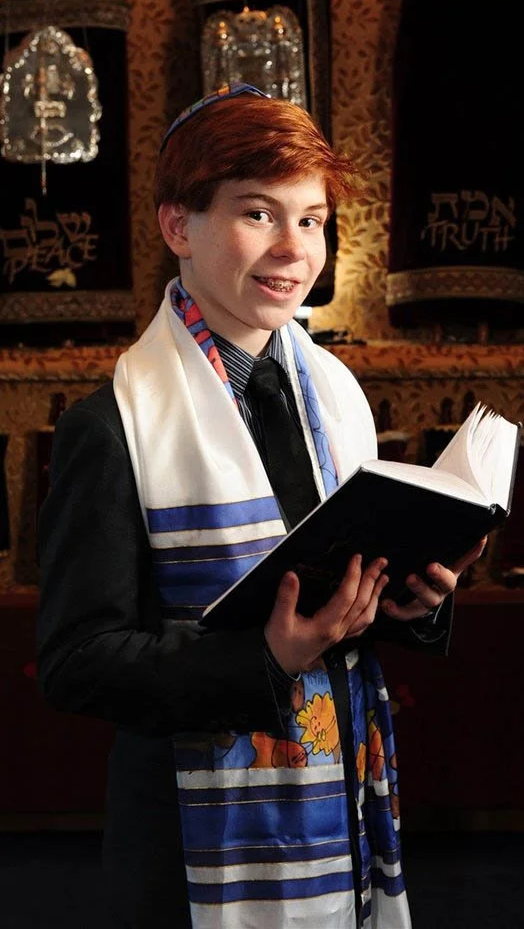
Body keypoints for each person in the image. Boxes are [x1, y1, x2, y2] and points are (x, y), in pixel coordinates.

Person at [37, 84, 484, 929]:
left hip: (340, 797)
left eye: (312, 220)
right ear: (179, 226)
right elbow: (77, 662)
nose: (293, 248)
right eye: (257, 214)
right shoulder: (113, 426)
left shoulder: (336, 394)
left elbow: (329, 580)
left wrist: (408, 599)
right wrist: (266, 658)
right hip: (189, 845)